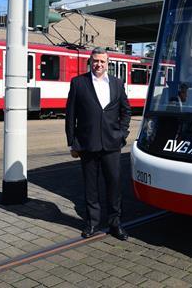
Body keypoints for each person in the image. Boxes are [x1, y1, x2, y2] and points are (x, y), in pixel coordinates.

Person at [65, 47, 131, 241]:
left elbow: (126, 111)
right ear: (90, 61)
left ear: (108, 63)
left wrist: (122, 134)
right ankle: (92, 223)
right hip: (87, 144)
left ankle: (115, 224)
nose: (98, 64)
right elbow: (70, 116)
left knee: (114, 185)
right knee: (90, 187)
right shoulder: (78, 83)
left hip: (112, 144)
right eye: (95, 61)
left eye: (102, 61)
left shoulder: (118, 84)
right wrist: (72, 143)